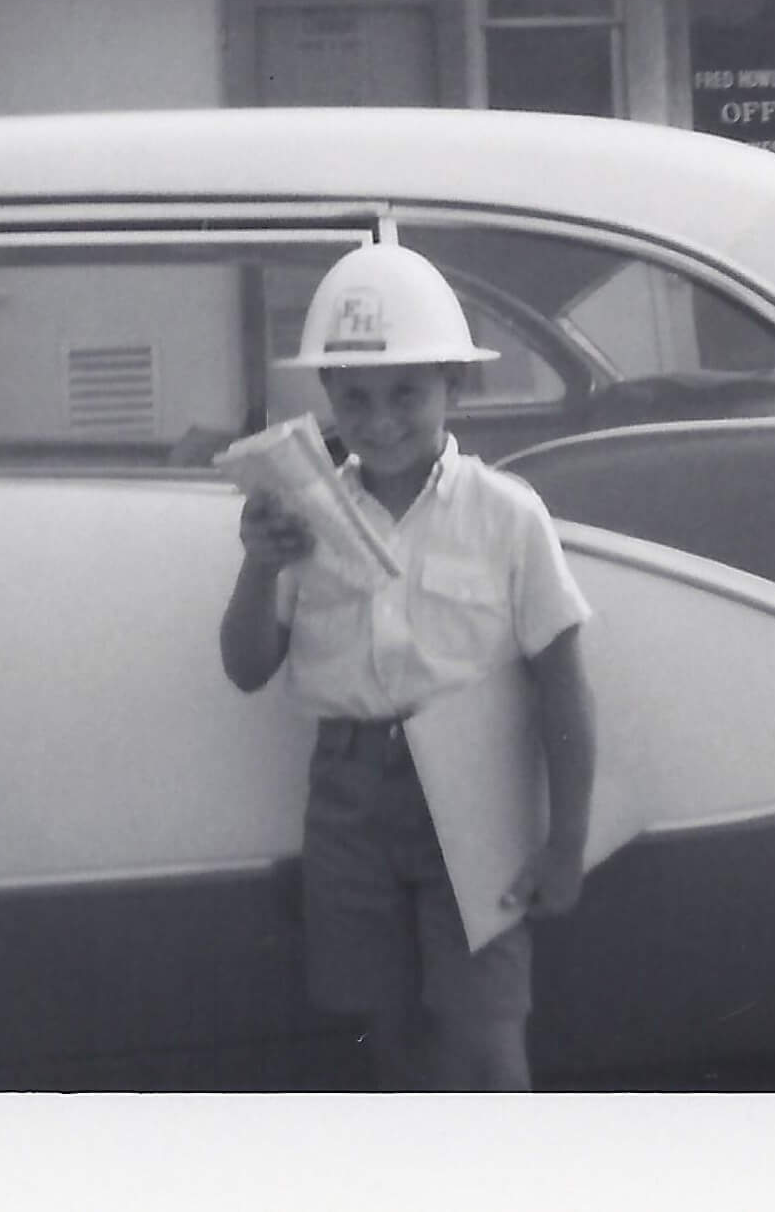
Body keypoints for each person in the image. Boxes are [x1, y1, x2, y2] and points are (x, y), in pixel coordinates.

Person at [219, 243, 597, 1091]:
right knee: (384, 1034)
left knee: (487, 1036)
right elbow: (246, 667)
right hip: (348, 796)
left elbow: (563, 680)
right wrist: (257, 565)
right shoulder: (300, 513)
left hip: (474, 792)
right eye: (354, 396)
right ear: (327, 398)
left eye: (406, 393)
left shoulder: (506, 514)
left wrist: (566, 840)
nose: (380, 418)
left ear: (455, 387)